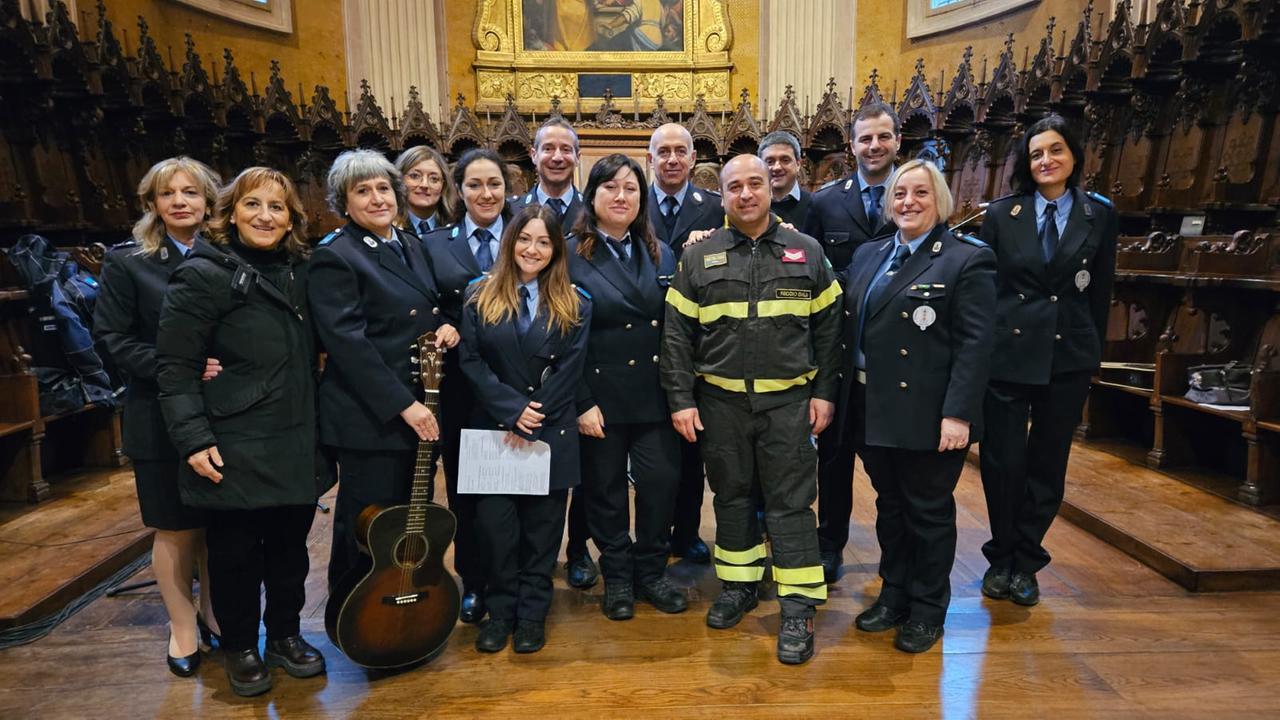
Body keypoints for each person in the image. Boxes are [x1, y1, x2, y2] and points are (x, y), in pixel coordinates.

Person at [660, 154, 842, 665]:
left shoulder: (807, 252)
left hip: (788, 404)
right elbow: (676, 337)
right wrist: (680, 399)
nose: (745, 194)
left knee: (790, 504)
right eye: (734, 186)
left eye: (754, 184)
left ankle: (798, 607)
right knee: (732, 497)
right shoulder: (699, 258)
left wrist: (825, 392)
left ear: (771, 189)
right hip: (720, 403)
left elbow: (830, 332)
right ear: (722, 195)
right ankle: (739, 587)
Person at [156, 167, 327, 695]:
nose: (265, 216)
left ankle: (283, 635)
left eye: (277, 207)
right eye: (253, 205)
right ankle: (240, 646)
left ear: (292, 218)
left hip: (296, 433)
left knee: (289, 551)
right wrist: (193, 438)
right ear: (230, 212)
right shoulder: (203, 273)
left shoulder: (302, 268)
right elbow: (175, 368)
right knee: (233, 555)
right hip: (233, 438)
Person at [838, 159, 996, 653]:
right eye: (900, 193)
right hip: (870, 403)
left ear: (940, 201)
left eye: (920, 194)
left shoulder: (965, 259)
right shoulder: (869, 254)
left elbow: (976, 345)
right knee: (890, 507)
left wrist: (959, 413)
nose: (908, 202)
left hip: (929, 413)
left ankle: (928, 610)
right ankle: (894, 593)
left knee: (927, 513)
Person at [977, 115, 1118, 607]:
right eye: (1037, 153)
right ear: (1026, 163)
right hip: (1008, 355)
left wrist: (1092, 351)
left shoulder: (1099, 214)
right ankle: (1000, 556)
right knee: (1002, 460)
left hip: (1067, 354)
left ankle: (1026, 561)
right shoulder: (1002, 214)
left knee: (1048, 463)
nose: (1046, 160)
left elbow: (1100, 291)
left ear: (1074, 156)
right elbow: (986, 291)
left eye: (1055, 150)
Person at [94, 156, 223, 677]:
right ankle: (183, 626)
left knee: (218, 523)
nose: (180, 202)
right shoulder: (130, 262)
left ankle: (215, 614)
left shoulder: (225, 256)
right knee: (175, 526)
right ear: (152, 204)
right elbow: (113, 340)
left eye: (190, 192)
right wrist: (182, 367)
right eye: (167, 194)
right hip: (158, 411)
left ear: (209, 202)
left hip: (222, 410)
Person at [308, 150, 454, 597]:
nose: (376, 199)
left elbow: (431, 305)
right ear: (343, 202)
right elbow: (348, 345)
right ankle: (355, 613)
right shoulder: (337, 255)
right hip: (373, 418)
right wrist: (404, 406)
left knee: (410, 515)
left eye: (383, 188)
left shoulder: (409, 244)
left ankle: (403, 603)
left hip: (419, 407)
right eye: (362, 190)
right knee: (368, 524)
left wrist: (447, 324)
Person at [459, 204, 591, 654]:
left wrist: (533, 414)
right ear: (509, 241)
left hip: (548, 432)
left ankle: (533, 614)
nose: (532, 249)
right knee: (495, 533)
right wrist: (512, 410)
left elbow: (572, 369)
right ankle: (501, 612)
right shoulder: (478, 295)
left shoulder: (576, 302)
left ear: (556, 249)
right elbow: (471, 363)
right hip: (495, 433)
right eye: (524, 238)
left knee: (541, 535)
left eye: (543, 241)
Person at [567, 153, 685, 621]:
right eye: (611, 187)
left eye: (631, 188)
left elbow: (675, 332)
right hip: (599, 399)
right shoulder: (569, 253)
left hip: (654, 398)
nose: (621, 196)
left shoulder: (661, 252)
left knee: (660, 485)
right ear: (592, 196)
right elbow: (560, 339)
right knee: (605, 491)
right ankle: (617, 575)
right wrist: (581, 401)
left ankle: (651, 572)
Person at [804, 101, 902, 583]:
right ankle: (829, 545)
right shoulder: (824, 202)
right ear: (852, 145)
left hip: (899, 358)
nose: (874, 146)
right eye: (865, 138)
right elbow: (808, 273)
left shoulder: (912, 193)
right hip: (841, 352)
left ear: (897, 141)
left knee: (890, 468)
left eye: (883, 137)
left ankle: (896, 557)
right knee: (834, 459)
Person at [419, 147, 510, 624]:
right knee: (467, 490)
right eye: (474, 184)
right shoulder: (436, 243)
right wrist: (443, 324)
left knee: (520, 487)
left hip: (518, 384)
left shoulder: (527, 235)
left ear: (507, 187)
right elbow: (421, 301)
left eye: (494, 183)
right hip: (461, 388)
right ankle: (474, 580)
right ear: (459, 191)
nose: (485, 193)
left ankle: (513, 579)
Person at [509, 119, 598, 590]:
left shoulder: (593, 212)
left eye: (567, 148)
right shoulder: (510, 210)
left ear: (577, 155)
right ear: (534, 153)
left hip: (573, 351)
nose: (558, 156)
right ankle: (519, 569)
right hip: (517, 357)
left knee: (577, 471)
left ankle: (579, 549)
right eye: (549, 149)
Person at [646, 122, 724, 564]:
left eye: (681, 151)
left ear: (694, 159)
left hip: (699, 345)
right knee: (654, 453)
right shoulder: (631, 205)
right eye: (664, 152)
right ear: (650, 159)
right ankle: (653, 534)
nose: (672, 159)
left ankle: (688, 532)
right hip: (644, 340)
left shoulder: (714, 207)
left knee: (692, 447)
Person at [395, 144, 459, 236]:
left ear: (444, 186)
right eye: (415, 176)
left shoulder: (456, 228)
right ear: (399, 180)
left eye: (434, 179)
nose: (424, 185)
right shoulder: (389, 229)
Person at [759, 131, 812, 228]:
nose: (777, 167)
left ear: (798, 164)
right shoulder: (751, 206)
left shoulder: (815, 205)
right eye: (770, 161)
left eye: (785, 160)